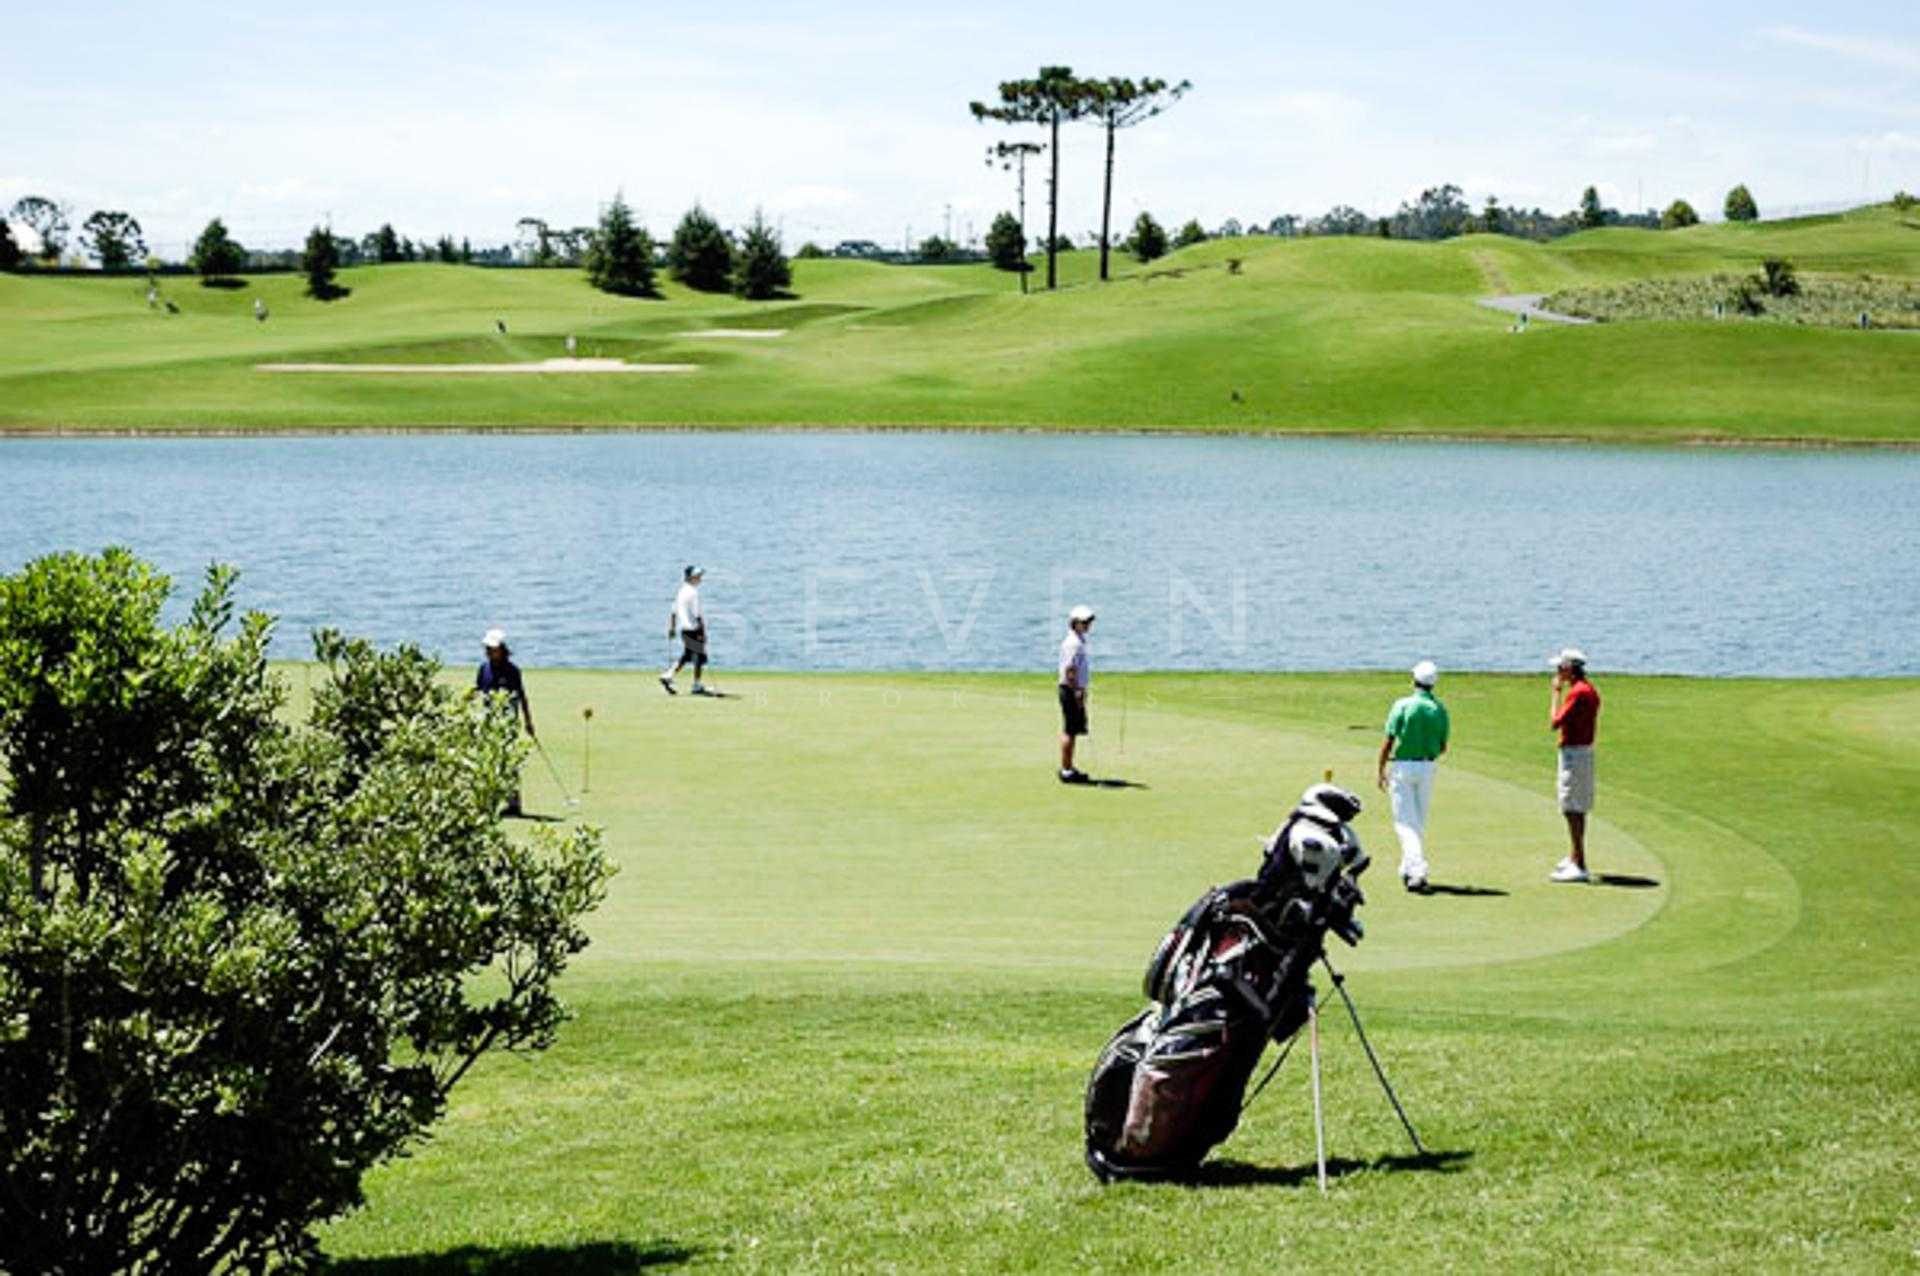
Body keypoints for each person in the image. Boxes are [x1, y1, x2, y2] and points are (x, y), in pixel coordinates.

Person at [1376, 660, 1449, 893]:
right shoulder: (1439, 709)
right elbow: (1443, 746)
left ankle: (1418, 872)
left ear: (1414, 680)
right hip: (1428, 767)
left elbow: (1389, 741)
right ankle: (1407, 869)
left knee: (1405, 823)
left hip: (1403, 767)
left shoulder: (1403, 705)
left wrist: (1380, 769)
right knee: (1417, 821)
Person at [1548, 647, 1601, 883]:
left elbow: (1555, 721)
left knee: (1571, 808)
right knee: (1577, 806)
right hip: (1583, 752)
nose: (1557, 672)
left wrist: (1555, 693)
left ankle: (1580, 864)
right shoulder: (1589, 690)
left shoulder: (1577, 693)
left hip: (1574, 754)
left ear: (1570, 669)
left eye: (1560, 668)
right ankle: (1574, 856)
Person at [475, 628, 535, 816]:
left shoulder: (512, 671)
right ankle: (487, 802)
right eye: (487, 648)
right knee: (487, 761)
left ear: (501, 649)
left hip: (507, 724)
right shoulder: (483, 669)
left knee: (509, 763)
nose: (489, 652)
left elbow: (522, 697)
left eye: (492, 649)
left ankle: (513, 804)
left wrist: (528, 722)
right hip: (487, 723)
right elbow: (477, 692)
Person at [1057, 604, 1095, 784]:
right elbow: (1070, 671)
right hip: (1070, 689)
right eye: (1084, 622)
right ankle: (1066, 771)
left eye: (1089, 622)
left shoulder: (1078, 640)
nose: (1088, 625)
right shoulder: (1073, 643)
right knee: (1070, 730)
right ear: (1075, 623)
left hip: (1072, 689)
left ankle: (1068, 767)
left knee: (1072, 730)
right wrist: (1077, 692)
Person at [660, 566, 708, 695]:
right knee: (698, 657)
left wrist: (672, 628)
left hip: (684, 630)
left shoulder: (681, 591)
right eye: (697, 576)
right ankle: (696, 685)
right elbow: (697, 615)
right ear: (691, 578)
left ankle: (668, 675)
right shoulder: (693, 593)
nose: (700, 578)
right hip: (694, 629)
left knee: (687, 656)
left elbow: (673, 612)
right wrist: (703, 632)